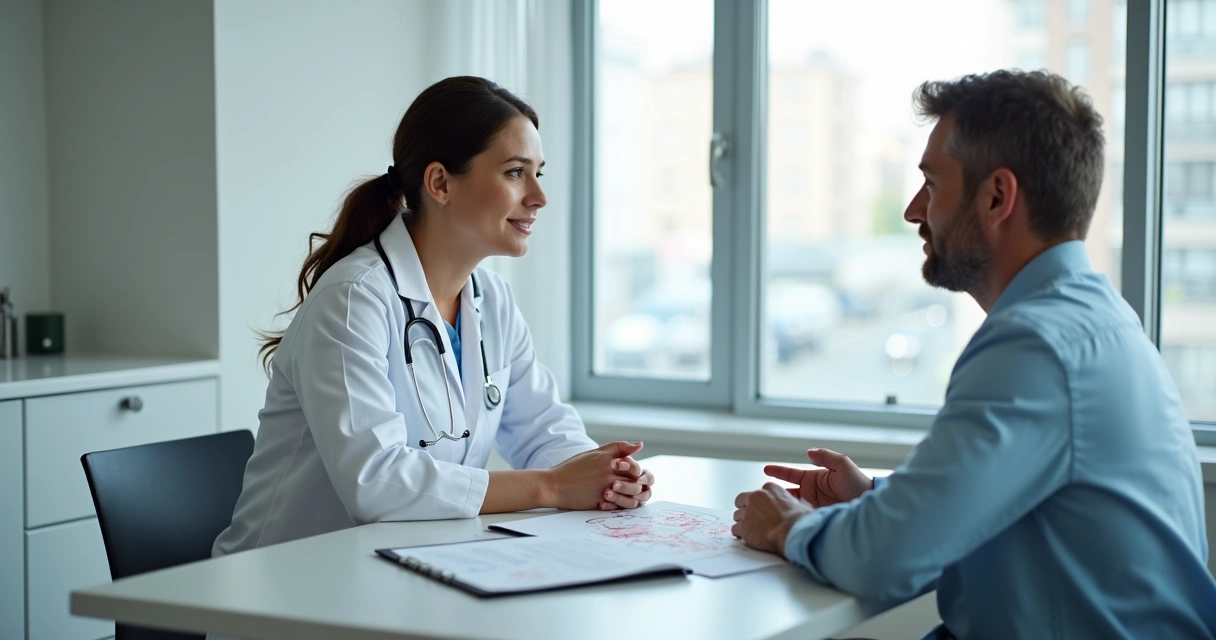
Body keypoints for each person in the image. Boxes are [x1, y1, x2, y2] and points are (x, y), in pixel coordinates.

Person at [731, 70, 1216, 639]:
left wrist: (787, 529)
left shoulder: (1037, 344)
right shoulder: (1097, 318)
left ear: (996, 197)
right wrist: (873, 500)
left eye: (932, 186)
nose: (914, 211)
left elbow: (884, 561)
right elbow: (996, 501)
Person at [213, 76, 654, 557]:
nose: (537, 197)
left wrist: (605, 475)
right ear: (440, 182)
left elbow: (543, 428)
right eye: (514, 173)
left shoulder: (492, 300)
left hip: (406, 566)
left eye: (538, 174)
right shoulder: (353, 298)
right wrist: (551, 487)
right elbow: (375, 481)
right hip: (284, 590)